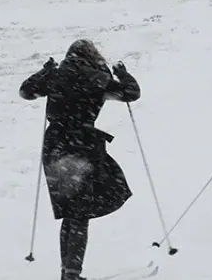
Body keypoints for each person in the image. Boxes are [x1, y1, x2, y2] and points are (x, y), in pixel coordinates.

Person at [19, 40, 140, 280]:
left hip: (55, 146)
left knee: (71, 212)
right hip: (82, 145)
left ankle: (69, 273)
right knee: (80, 212)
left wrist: (45, 71)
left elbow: (26, 91)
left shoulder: (55, 76)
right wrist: (123, 74)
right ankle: (72, 274)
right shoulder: (97, 78)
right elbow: (131, 94)